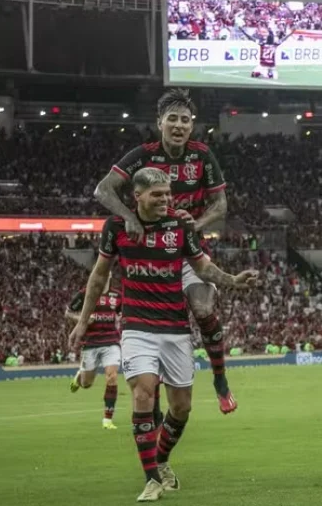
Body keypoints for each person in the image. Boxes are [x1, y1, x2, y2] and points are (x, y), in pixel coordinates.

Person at [72, 167, 260, 502]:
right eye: (157, 194)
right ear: (138, 196)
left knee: (181, 408)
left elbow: (201, 267)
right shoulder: (116, 227)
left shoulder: (180, 225)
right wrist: (83, 321)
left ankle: (160, 459)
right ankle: (152, 479)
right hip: (137, 327)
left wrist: (232, 280)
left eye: (168, 193)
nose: (165, 199)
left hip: (175, 328)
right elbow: (99, 276)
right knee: (143, 394)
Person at [94, 88, 238, 414]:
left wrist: (196, 225)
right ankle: (152, 395)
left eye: (185, 120)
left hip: (186, 249)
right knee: (155, 325)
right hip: (147, 253)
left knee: (202, 307)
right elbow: (103, 189)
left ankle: (220, 379)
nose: (178, 125)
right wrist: (130, 217)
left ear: (192, 125)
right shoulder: (143, 154)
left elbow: (221, 204)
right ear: (159, 122)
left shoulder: (202, 156)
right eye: (171, 118)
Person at [65, 276, 123, 430]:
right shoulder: (85, 293)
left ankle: (107, 419)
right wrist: (82, 320)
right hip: (90, 342)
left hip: (111, 341)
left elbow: (123, 314)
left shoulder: (117, 296)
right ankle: (79, 378)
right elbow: (68, 312)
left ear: (110, 276)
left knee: (112, 377)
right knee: (86, 384)